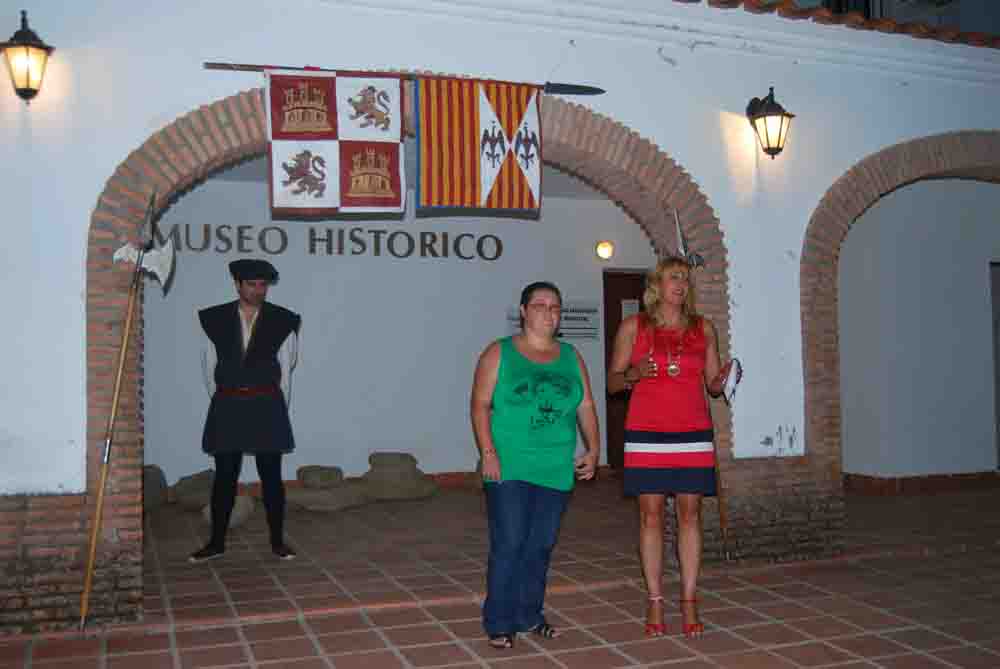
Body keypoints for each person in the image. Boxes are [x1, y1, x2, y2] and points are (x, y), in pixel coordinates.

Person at [607, 256, 735, 638]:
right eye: (673, 278)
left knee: (690, 516)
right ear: (656, 286)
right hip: (646, 432)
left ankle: (690, 600)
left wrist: (724, 379)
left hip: (692, 432)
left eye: (684, 279)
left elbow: (712, 385)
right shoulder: (634, 326)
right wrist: (632, 374)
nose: (680, 285)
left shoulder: (703, 328)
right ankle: (655, 600)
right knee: (650, 517)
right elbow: (613, 382)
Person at [470, 281, 601, 649]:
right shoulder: (499, 352)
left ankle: (529, 614)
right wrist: (488, 453)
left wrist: (594, 449)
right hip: (509, 464)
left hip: (555, 465)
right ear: (524, 312)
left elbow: (585, 405)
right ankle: (499, 621)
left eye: (555, 306)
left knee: (540, 545)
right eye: (540, 305)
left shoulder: (571, 356)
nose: (549, 312)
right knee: (510, 542)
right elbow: (480, 405)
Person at [189, 259, 301, 563]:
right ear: (238, 284)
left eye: (263, 285)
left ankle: (277, 542)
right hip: (227, 404)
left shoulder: (283, 320)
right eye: (251, 284)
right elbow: (209, 368)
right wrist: (227, 400)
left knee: (271, 478)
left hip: (267, 405)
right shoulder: (214, 319)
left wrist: (277, 410)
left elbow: (286, 371)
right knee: (225, 477)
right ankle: (216, 543)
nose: (258, 290)